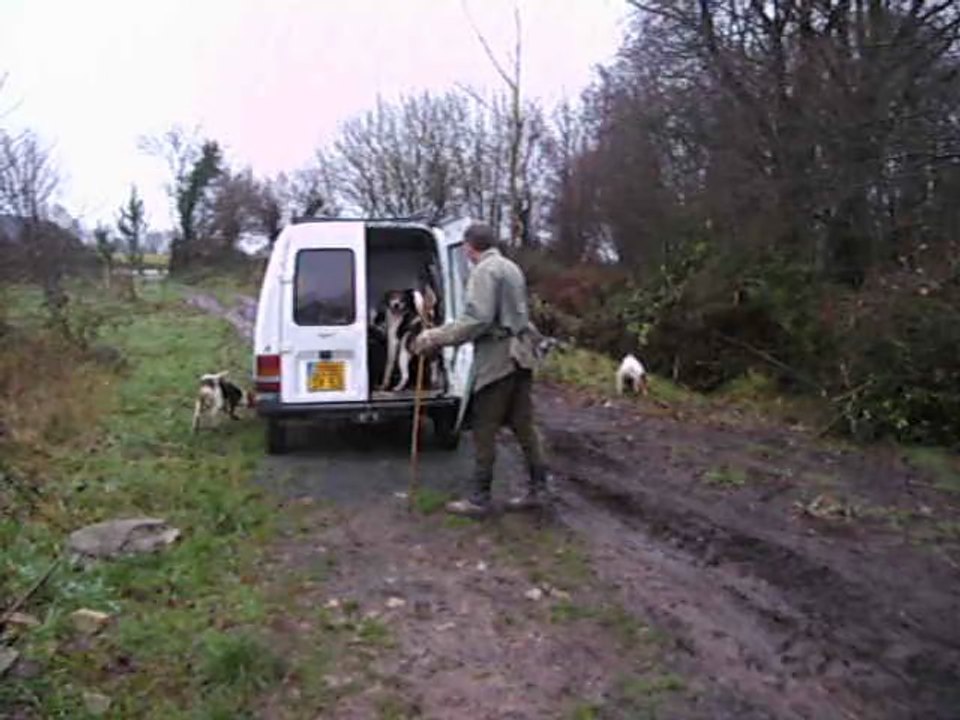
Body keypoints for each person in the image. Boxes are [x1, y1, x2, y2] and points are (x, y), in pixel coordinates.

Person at [412, 222, 547, 516]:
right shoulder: (510, 267)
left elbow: (478, 319)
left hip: (497, 360)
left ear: (469, 247)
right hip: (521, 355)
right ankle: (540, 489)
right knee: (524, 426)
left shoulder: (484, 272)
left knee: (484, 425)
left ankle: (479, 498)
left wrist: (434, 337)